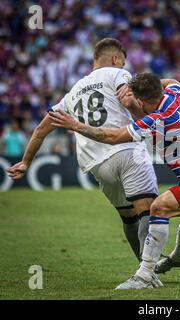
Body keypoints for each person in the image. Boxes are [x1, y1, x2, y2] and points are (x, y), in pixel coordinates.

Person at [48, 72, 180, 290]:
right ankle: (178, 257)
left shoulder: (158, 120)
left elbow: (112, 137)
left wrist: (75, 124)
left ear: (141, 101)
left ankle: (144, 275)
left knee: (159, 207)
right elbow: (173, 81)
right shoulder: (175, 95)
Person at [6, 39, 162, 287]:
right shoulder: (119, 73)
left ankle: (144, 269)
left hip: (97, 165)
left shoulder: (73, 92)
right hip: (127, 151)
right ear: (115, 59)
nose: (126, 65)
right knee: (148, 212)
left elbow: (40, 129)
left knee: (128, 218)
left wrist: (25, 162)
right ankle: (147, 271)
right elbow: (132, 104)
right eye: (124, 60)